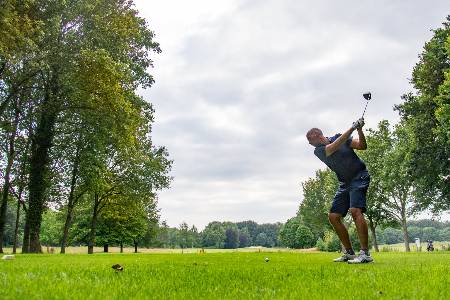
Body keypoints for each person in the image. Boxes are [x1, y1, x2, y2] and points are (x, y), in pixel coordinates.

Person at [306, 118, 373, 264]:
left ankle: (365, 254)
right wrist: (352, 128)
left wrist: (360, 129)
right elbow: (333, 147)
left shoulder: (338, 137)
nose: (309, 144)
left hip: (359, 176)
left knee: (355, 210)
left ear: (318, 136)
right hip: (344, 182)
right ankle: (349, 253)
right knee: (333, 216)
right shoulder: (318, 151)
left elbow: (362, 145)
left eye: (310, 140)